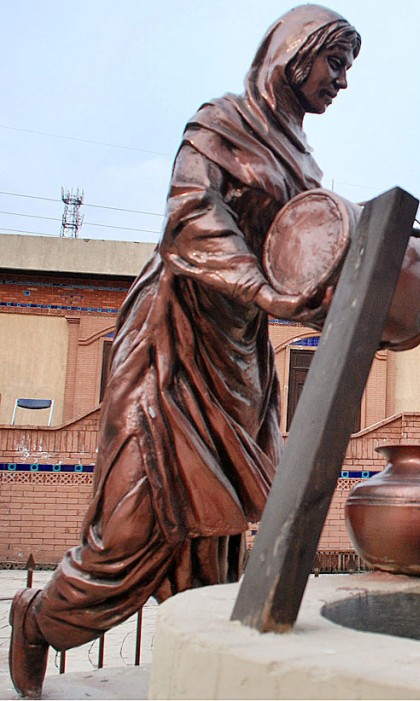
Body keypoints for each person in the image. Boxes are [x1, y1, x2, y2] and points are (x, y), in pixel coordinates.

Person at [8, 7, 361, 698]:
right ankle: (38, 617)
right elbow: (192, 214)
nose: (341, 81)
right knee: (133, 523)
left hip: (237, 356)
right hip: (171, 343)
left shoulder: (306, 160)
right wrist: (263, 287)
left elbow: (303, 249)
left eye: (348, 69)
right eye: (335, 63)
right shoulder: (222, 123)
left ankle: (197, 670)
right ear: (295, 54)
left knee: (215, 531)